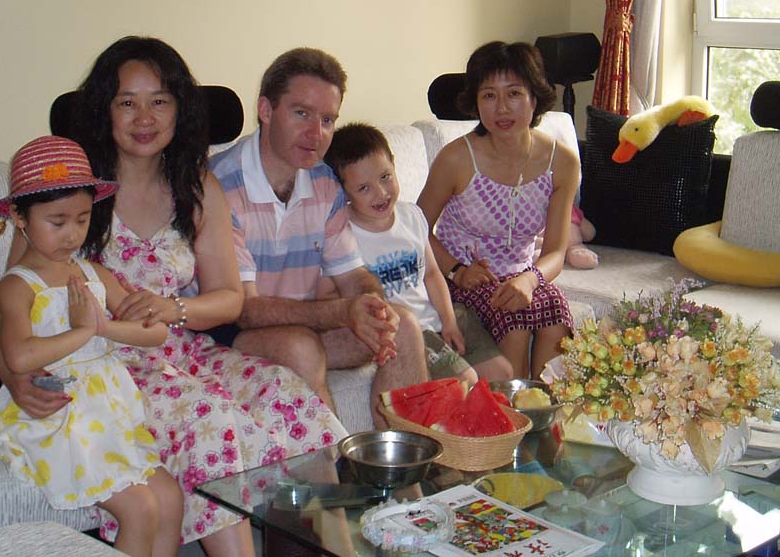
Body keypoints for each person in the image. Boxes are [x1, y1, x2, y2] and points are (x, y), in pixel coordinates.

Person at [0, 37, 346, 555]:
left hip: (184, 350)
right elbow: (11, 302)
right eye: (127, 102)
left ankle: (336, 550)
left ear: (179, 108)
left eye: (160, 101)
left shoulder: (197, 185)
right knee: (212, 425)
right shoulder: (67, 191)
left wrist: (172, 308)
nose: (144, 117)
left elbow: (229, 299)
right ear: (104, 110)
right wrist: (13, 378)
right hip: (107, 366)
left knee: (292, 397)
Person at [0, 136, 183, 557]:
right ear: (20, 217)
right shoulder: (19, 285)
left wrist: (106, 328)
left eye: (82, 219)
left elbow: (157, 333)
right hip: (60, 420)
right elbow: (19, 355)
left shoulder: (92, 273)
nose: (72, 234)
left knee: (170, 498)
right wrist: (83, 332)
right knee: (140, 508)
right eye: (57, 222)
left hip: (110, 416)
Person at [208, 47, 428, 429]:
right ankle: (339, 473)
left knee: (403, 325)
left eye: (328, 119)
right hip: (233, 337)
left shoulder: (325, 182)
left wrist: (371, 305)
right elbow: (244, 309)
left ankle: (403, 475)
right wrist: (340, 311)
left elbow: (353, 277)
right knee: (300, 346)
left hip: (307, 325)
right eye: (301, 113)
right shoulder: (219, 186)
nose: (317, 133)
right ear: (265, 110)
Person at [417, 41, 577, 380]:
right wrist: (458, 271)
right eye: (489, 95)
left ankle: (549, 412)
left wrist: (530, 280)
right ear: (475, 102)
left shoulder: (561, 162)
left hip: (523, 274)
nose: (502, 108)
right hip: (465, 278)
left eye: (514, 93)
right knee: (514, 319)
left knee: (556, 311)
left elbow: (556, 253)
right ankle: (513, 418)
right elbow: (416, 229)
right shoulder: (457, 159)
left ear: (535, 97)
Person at [324, 122, 514, 385]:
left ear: (394, 163)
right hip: (412, 333)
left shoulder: (412, 215)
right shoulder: (343, 234)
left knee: (503, 374)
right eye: (363, 188)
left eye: (385, 177)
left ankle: (501, 423)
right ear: (342, 191)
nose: (381, 193)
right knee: (465, 380)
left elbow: (433, 275)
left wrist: (449, 321)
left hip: (440, 314)